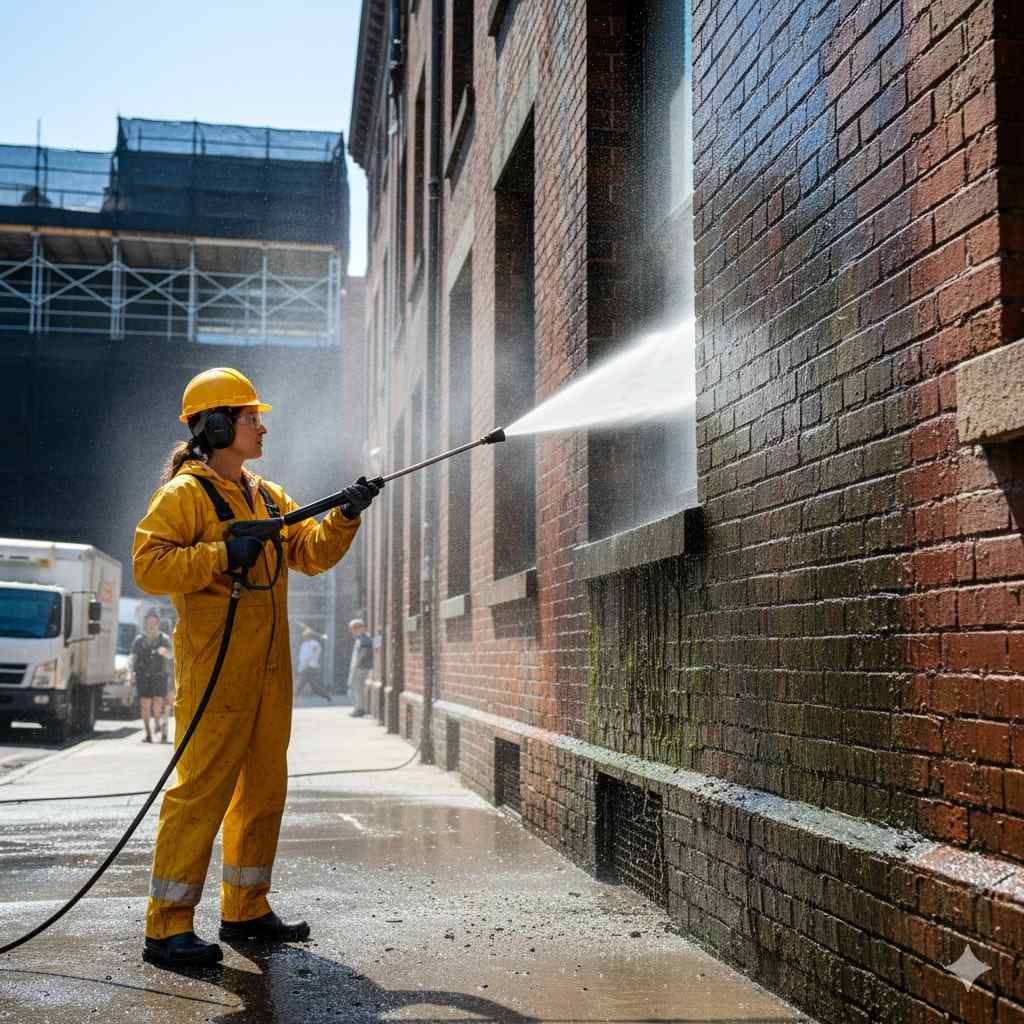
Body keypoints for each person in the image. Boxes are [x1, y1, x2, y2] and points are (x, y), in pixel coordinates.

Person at [133, 366, 381, 968]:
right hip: (215, 671)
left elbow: (311, 552)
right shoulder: (184, 496)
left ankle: (245, 908)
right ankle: (166, 928)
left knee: (263, 791)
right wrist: (222, 552)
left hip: (270, 673)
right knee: (201, 795)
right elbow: (150, 567)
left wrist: (346, 515)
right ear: (216, 426)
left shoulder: (267, 496)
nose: (261, 427)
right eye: (250, 418)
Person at [132, 609, 171, 742]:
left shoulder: (164, 639)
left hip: (160, 676)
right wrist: (131, 673)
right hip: (143, 676)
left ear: (158, 624)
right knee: (145, 705)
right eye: (149, 622)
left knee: (157, 705)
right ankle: (148, 734)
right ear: (145, 623)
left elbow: (171, 656)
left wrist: (164, 652)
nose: (151, 625)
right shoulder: (139, 640)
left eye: (154, 623)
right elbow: (134, 658)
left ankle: (157, 723)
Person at [346, 618, 373, 718]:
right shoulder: (361, 639)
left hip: (360, 668)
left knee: (358, 688)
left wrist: (358, 666)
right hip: (359, 667)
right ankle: (358, 708)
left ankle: (359, 709)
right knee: (357, 688)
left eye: (353, 628)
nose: (352, 631)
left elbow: (363, 654)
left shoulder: (364, 639)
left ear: (359, 628)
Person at [295, 627, 329, 701]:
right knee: (314, 686)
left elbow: (311, 655)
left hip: (311, 667)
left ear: (310, 636)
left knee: (301, 682)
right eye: (303, 635)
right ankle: (326, 696)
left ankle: (294, 696)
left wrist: (306, 664)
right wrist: (301, 666)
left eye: (306, 635)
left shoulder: (314, 644)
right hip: (304, 667)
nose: (304, 637)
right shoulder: (304, 644)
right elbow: (302, 656)